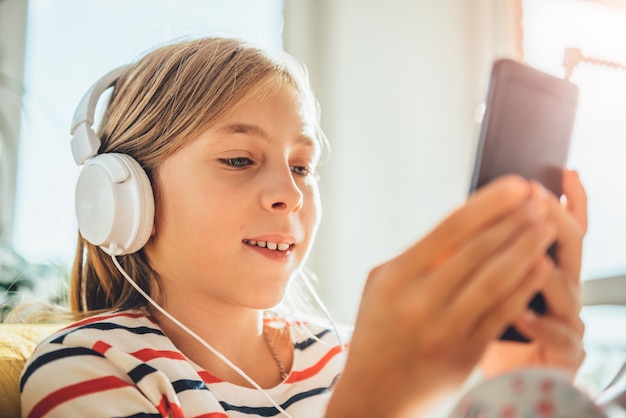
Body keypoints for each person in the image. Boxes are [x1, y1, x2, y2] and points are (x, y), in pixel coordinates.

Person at [19, 37, 588, 418]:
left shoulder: (348, 353)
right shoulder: (88, 367)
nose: (290, 194)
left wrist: (523, 390)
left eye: (302, 166)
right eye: (239, 159)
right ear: (121, 196)